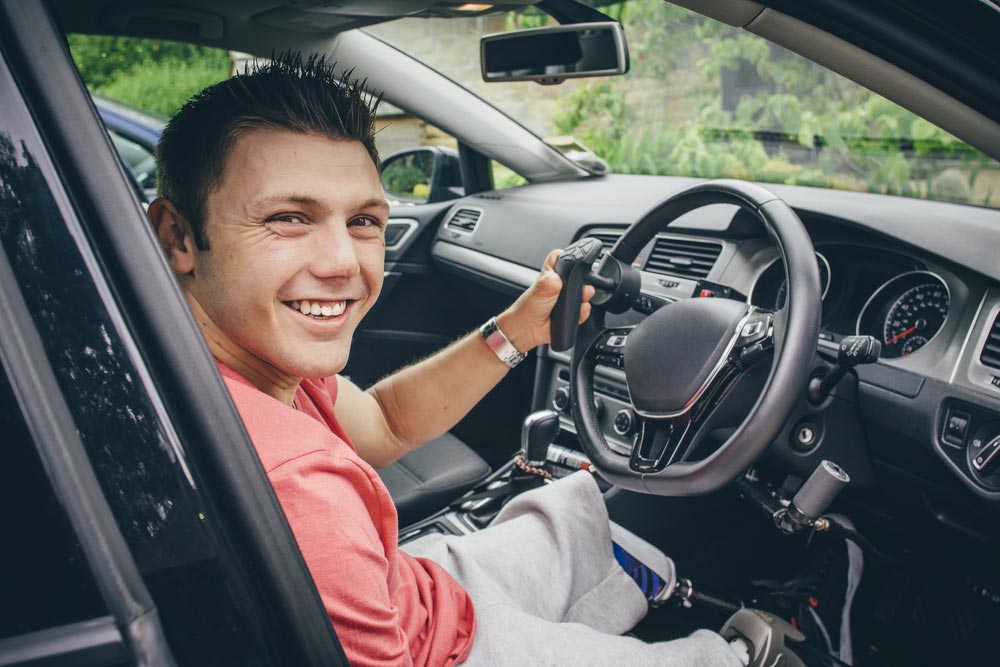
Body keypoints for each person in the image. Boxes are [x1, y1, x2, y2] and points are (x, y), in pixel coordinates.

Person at [147, 53, 744, 667]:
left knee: (576, 515)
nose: (342, 264)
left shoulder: (206, 363)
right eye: (288, 219)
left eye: (361, 221)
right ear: (178, 237)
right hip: (446, 650)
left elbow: (383, 422)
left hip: (411, 587)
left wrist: (517, 329)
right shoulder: (302, 490)